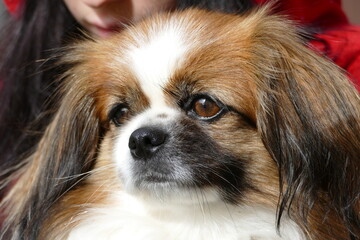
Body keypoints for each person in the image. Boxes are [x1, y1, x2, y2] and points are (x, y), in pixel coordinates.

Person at [0, 0, 359, 191]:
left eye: (205, 106)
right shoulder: (14, 79)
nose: (96, 1)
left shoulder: (334, 62)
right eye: (121, 114)